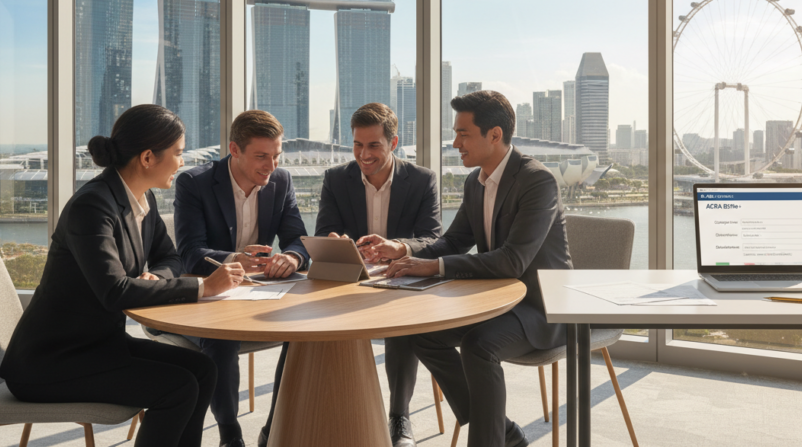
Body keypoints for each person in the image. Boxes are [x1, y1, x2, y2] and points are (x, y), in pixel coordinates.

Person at [0, 104, 246, 447]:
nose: (182, 161)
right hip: (52, 361)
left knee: (203, 369)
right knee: (179, 387)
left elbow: (169, 256)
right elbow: (113, 292)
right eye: (177, 153)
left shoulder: (141, 200)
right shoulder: (93, 206)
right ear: (147, 157)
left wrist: (158, 277)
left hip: (99, 344)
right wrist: (204, 286)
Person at [381, 90, 573, 447]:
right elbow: (452, 242)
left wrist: (435, 267)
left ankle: (492, 439)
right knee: (422, 334)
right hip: (499, 302)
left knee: (479, 346)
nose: (455, 143)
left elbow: (512, 261)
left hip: (543, 307)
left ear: (495, 135)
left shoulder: (537, 181)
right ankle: (506, 433)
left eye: (463, 134)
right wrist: (406, 254)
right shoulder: (476, 182)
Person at [172, 110, 310, 447]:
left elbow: (298, 240)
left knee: (306, 334)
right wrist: (236, 261)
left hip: (257, 297)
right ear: (234, 149)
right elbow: (190, 252)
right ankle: (229, 434)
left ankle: (273, 428)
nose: (271, 165)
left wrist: (291, 257)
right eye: (261, 156)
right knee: (221, 340)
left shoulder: (281, 181)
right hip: (204, 298)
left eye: (276, 155)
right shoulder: (194, 183)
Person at [312, 102, 441, 447]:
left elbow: (433, 238)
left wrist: (399, 246)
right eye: (357, 144)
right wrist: (336, 242)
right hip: (350, 281)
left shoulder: (422, 180)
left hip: (400, 278)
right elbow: (325, 231)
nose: (363, 155)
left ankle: (399, 417)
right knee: (311, 320)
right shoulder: (336, 179)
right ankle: (319, 414)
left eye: (373, 145)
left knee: (400, 323)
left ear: (394, 143)